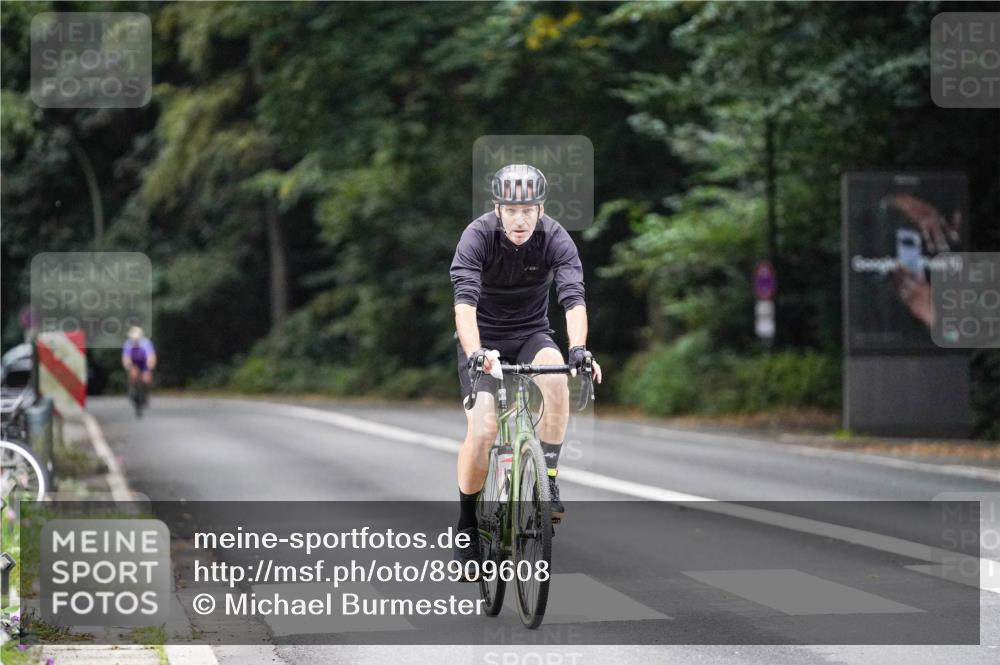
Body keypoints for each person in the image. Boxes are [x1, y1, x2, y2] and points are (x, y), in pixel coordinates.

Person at [449, 163, 603, 571]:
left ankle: (547, 475)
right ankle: (466, 526)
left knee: (557, 378)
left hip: (531, 333)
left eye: (529, 210)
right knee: (482, 431)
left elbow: (573, 298)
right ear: (498, 208)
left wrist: (580, 350)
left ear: (540, 208)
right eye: (512, 210)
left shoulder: (555, 238)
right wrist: (477, 351)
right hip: (482, 341)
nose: (521, 220)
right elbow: (464, 304)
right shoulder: (477, 236)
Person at [122, 326, 157, 396]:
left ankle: (146, 392)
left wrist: (149, 369)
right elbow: (126, 358)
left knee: (146, 379)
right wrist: (129, 367)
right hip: (134, 362)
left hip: (144, 362)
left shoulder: (146, 343)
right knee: (133, 374)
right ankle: (132, 388)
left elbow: (151, 356)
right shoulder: (128, 344)